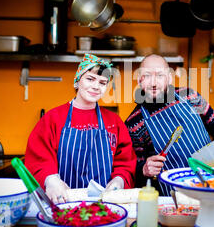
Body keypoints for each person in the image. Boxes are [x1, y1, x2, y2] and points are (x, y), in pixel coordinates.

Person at [25, 54, 136, 204]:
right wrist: (50, 180)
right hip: (62, 202)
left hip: (106, 204)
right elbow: (38, 159)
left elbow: (125, 162)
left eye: (103, 82)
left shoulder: (113, 122)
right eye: (90, 79)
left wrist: (119, 180)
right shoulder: (53, 118)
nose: (96, 86)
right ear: (77, 81)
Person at [125, 54, 214, 196]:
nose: (154, 83)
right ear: (139, 80)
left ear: (169, 78)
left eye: (160, 75)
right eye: (147, 75)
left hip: (213, 185)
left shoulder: (190, 96)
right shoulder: (134, 123)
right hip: (174, 199)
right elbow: (135, 169)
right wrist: (143, 169)